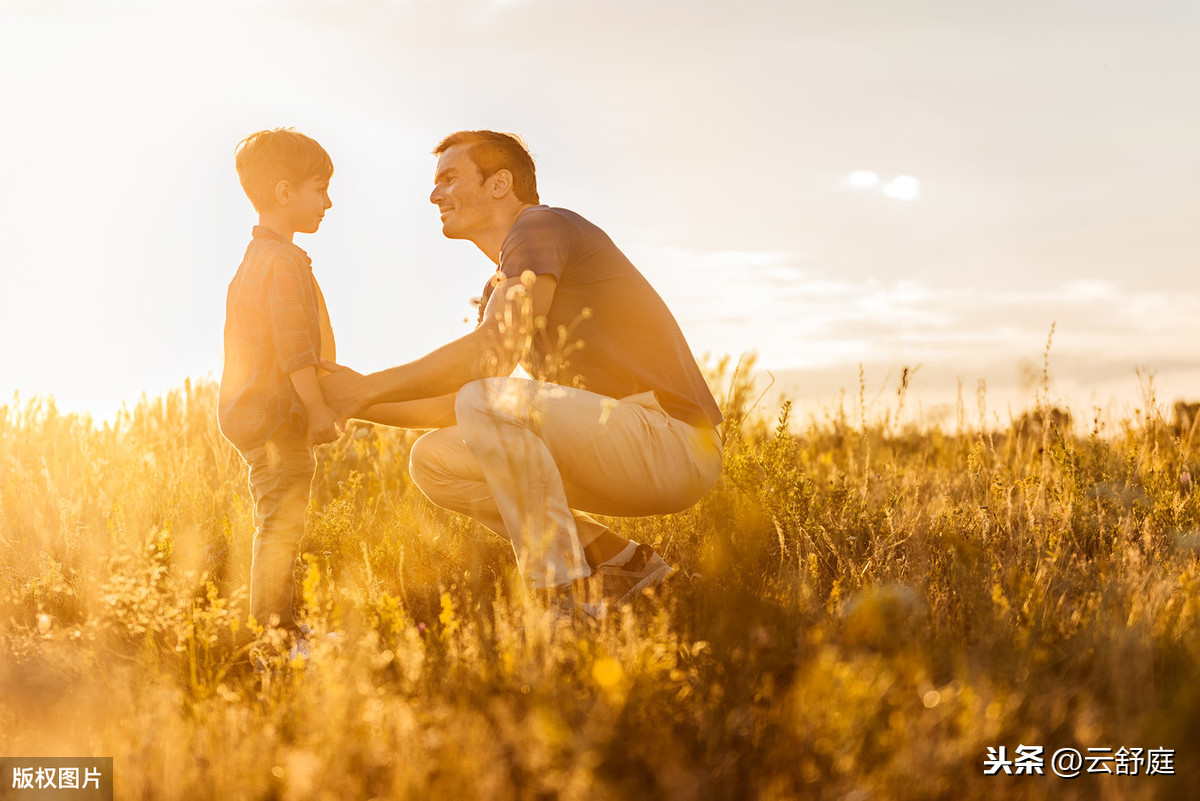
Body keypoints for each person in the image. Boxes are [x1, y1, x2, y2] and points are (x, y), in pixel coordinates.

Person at [322, 131, 723, 616]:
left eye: (449, 178)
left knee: (484, 399)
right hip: (613, 443)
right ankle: (626, 562)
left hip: (674, 443)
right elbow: (460, 402)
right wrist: (351, 403)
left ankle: (564, 594)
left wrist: (364, 386)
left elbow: (489, 361)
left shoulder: (539, 226)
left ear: (499, 184)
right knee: (433, 459)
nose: (434, 195)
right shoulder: (501, 283)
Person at [218, 128, 343, 634]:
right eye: (321, 189)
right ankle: (275, 637)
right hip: (277, 416)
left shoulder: (255, 260)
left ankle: (279, 628)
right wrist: (317, 409)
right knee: (281, 525)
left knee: (277, 520)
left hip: (254, 413)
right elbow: (295, 348)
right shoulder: (283, 261)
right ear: (285, 192)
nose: (328, 203)